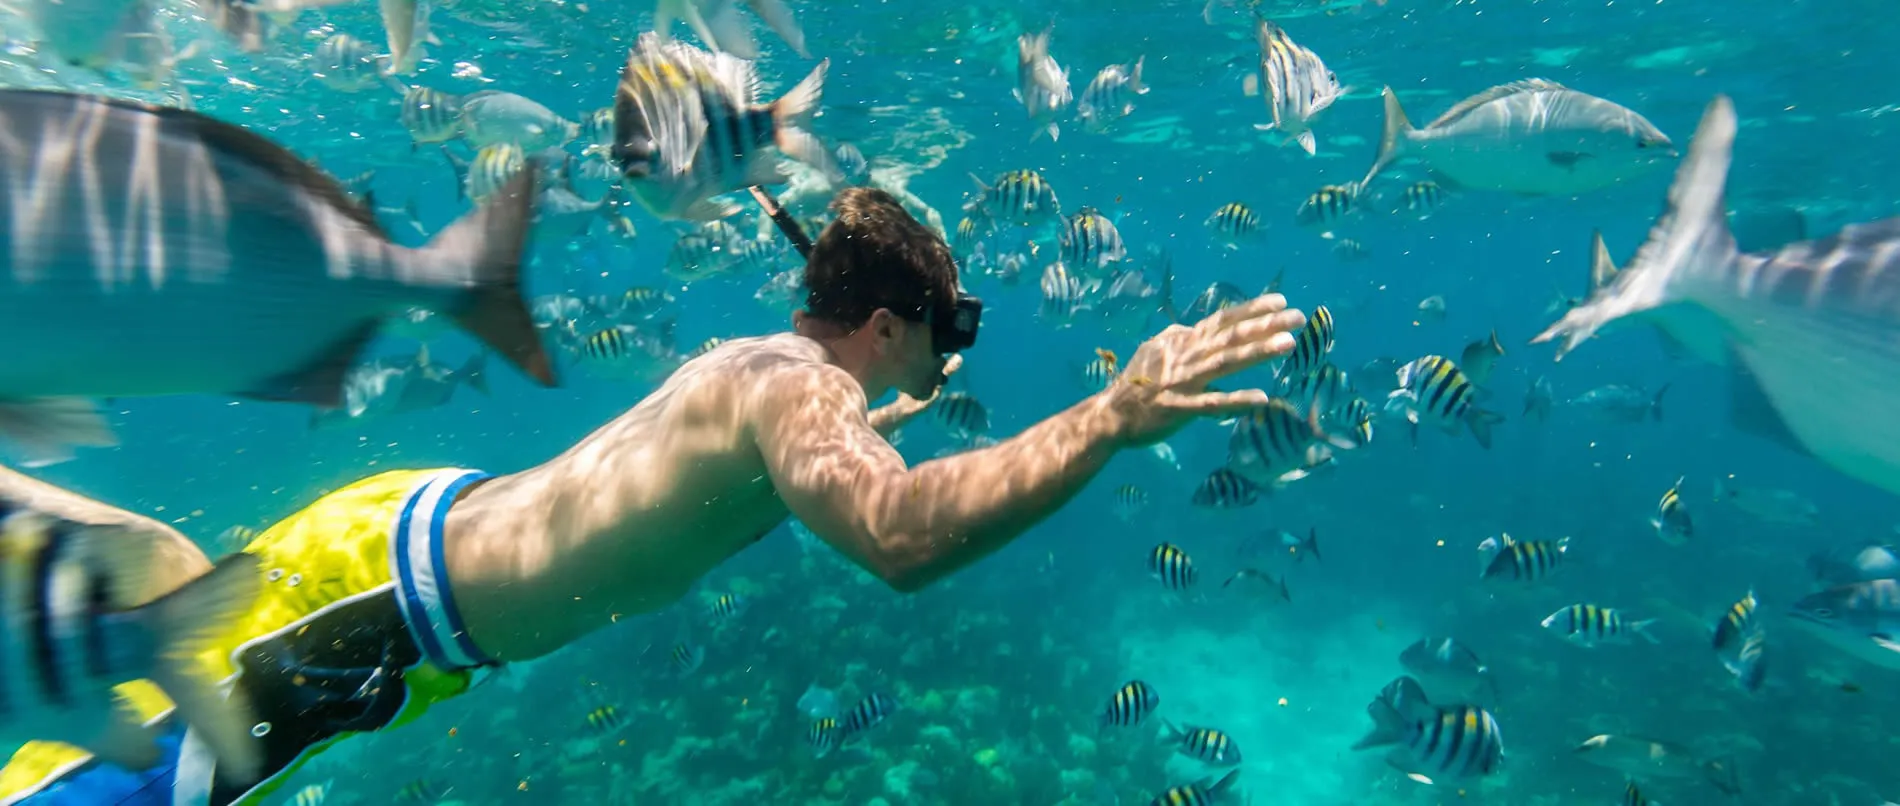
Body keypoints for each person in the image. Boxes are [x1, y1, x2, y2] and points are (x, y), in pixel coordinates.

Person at [0, 187, 1305, 805]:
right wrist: (1111, 416)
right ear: (896, 319)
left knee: (175, 578)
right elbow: (901, 537)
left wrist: (863, 431)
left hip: (392, 541)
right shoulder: (802, 397)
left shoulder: (772, 375)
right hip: (384, 611)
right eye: (950, 327)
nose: (953, 357)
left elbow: (768, 463)